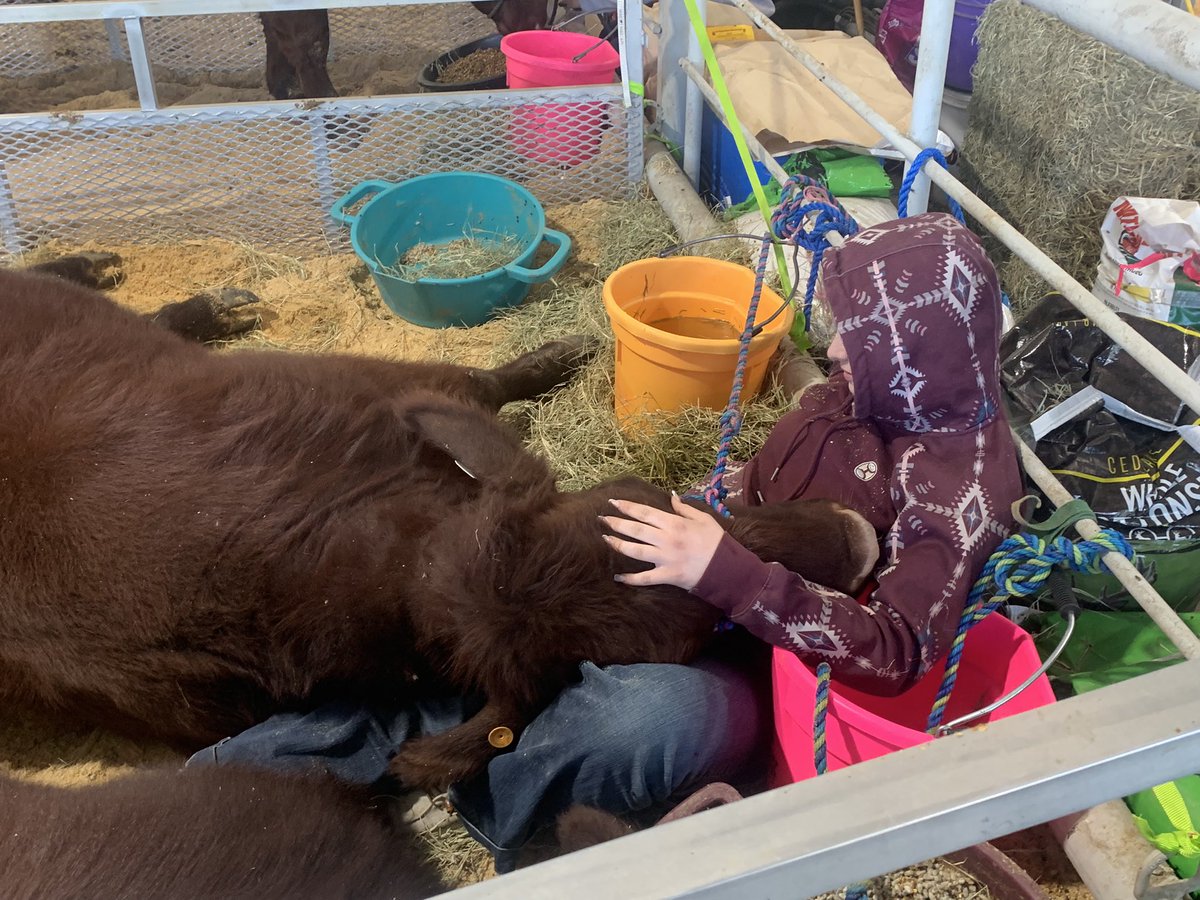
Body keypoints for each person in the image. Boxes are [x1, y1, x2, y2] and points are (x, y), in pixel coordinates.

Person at [187, 213, 1022, 872]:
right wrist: (686, 513)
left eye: (857, 334)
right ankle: (248, 781)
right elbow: (761, 487)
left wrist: (728, 573)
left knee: (663, 714)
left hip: (754, 660)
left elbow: (900, 652)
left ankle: (495, 795)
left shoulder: (961, 485)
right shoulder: (858, 392)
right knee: (491, 607)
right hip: (683, 573)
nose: (834, 349)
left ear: (914, 345)